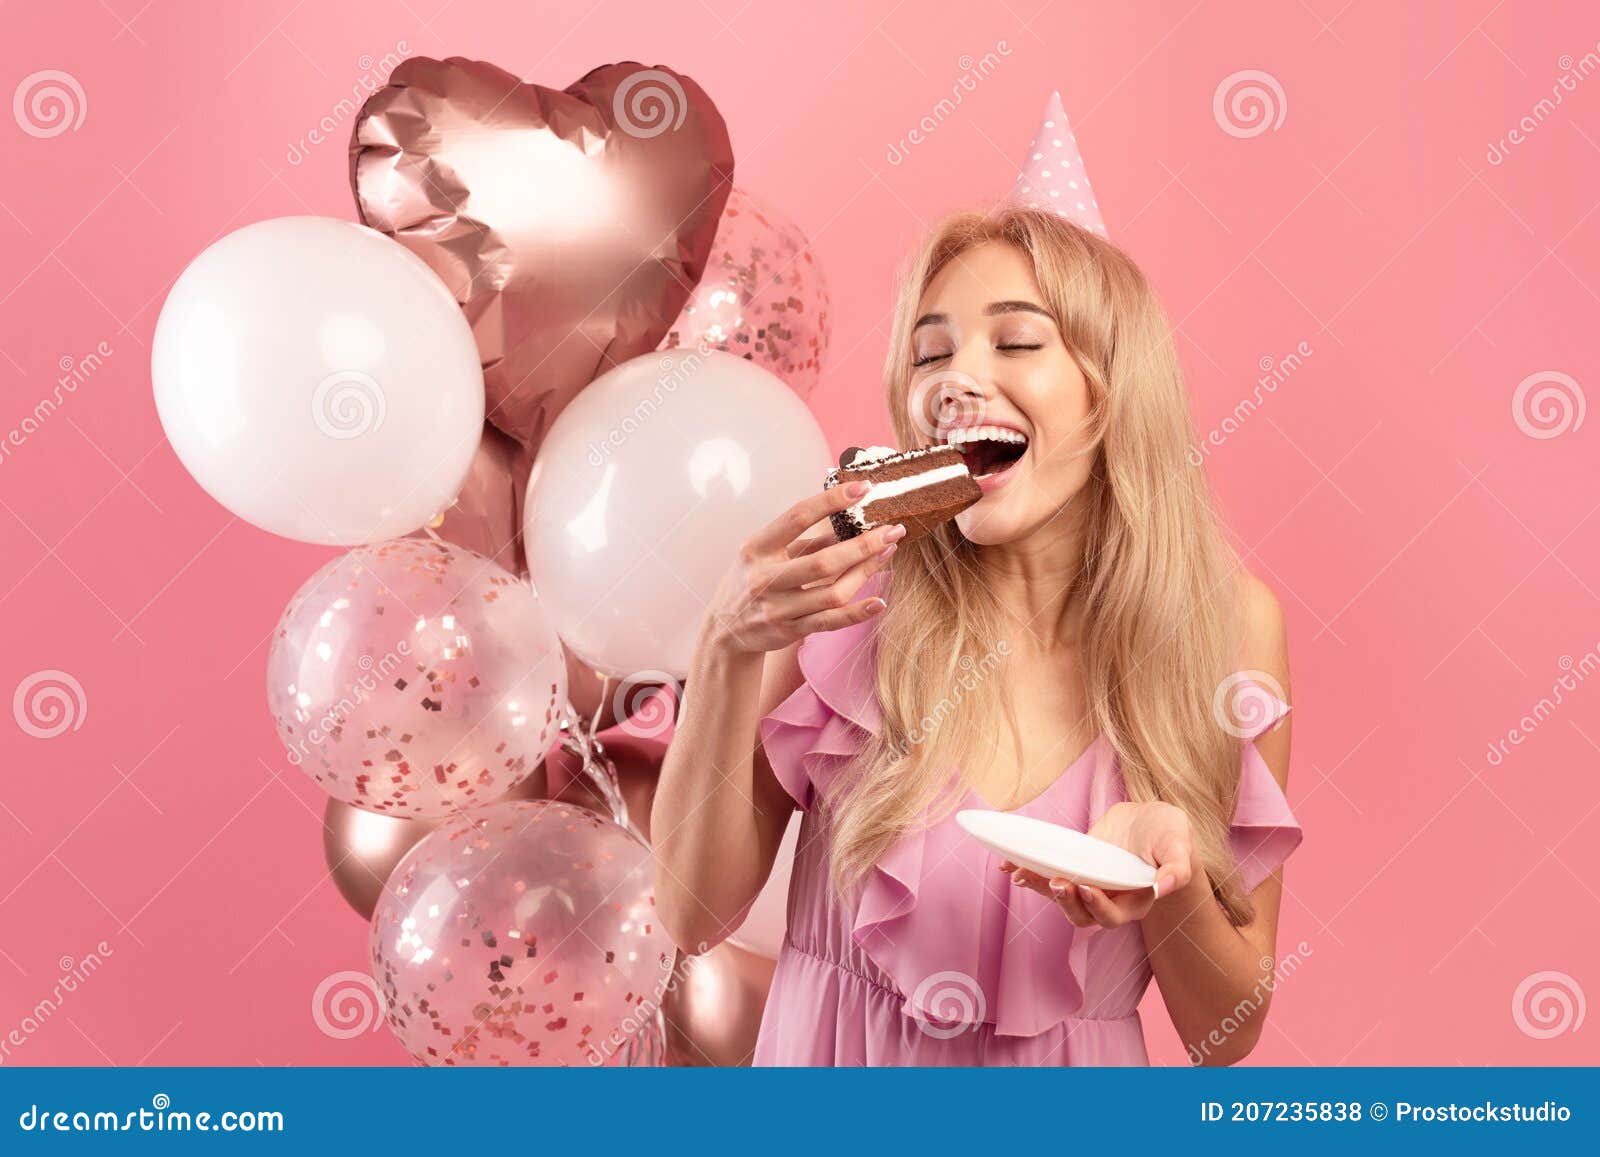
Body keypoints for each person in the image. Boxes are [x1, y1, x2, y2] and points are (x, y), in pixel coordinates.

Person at [652, 206, 1303, 1066]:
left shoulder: (1226, 628)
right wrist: (728, 646)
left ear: (1110, 390)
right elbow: (693, 911)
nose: (954, 380)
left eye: (1017, 342)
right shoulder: (845, 595)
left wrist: (1167, 878)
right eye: (930, 353)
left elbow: (1229, 1033)